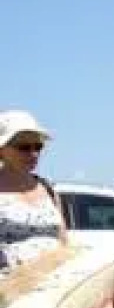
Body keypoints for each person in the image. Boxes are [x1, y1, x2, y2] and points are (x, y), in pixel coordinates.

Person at [0, 110, 70, 272]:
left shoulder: (48, 189)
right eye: (24, 147)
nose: (34, 154)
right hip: (10, 291)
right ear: (2, 149)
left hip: (54, 286)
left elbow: (64, 242)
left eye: (38, 147)